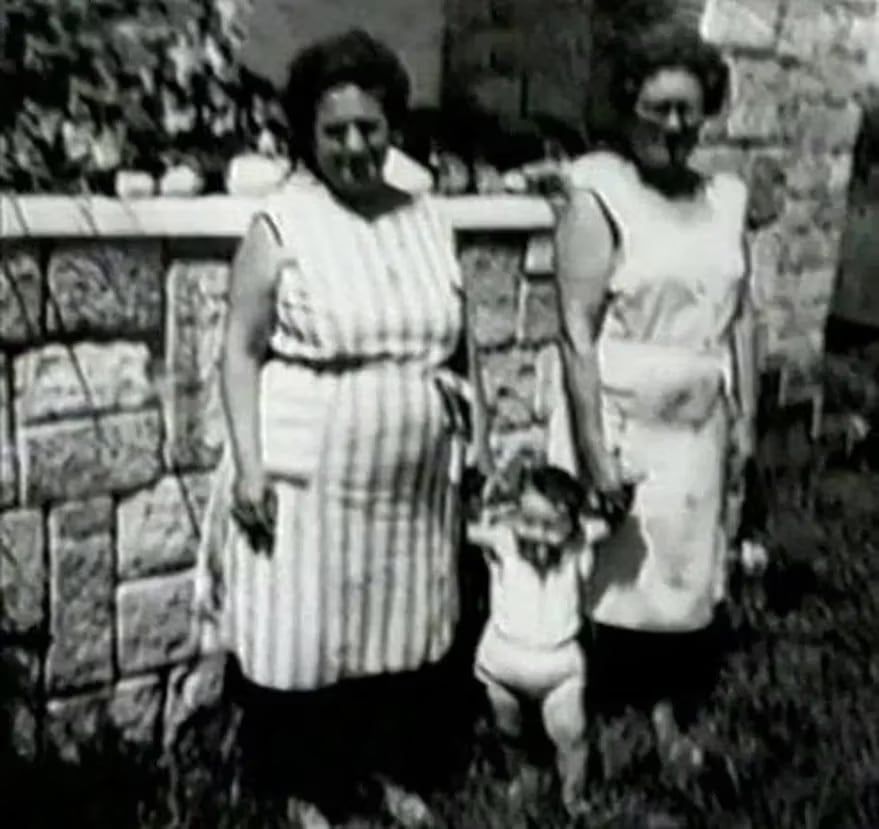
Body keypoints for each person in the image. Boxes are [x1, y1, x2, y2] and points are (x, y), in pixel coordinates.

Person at [193, 29, 490, 828]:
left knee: (398, 629)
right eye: (335, 132)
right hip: (309, 471)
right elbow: (239, 350)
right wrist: (250, 466)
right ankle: (303, 787)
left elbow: (463, 343)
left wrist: (479, 442)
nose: (356, 146)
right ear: (307, 135)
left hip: (411, 478)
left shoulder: (426, 216)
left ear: (391, 124)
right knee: (306, 635)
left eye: (370, 127)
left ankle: (387, 771)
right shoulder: (282, 223)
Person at [538, 23, 759, 771]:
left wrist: (747, 419)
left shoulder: (726, 197)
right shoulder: (598, 190)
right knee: (608, 574)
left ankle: (666, 712)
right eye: (658, 108)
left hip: (698, 416)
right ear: (627, 106)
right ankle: (584, 716)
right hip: (622, 412)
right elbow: (574, 330)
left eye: (688, 110)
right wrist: (596, 450)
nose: (674, 125)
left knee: (681, 574)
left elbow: (743, 313)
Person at [467, 453, 613, 815]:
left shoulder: (579, 547)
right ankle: (522, 777)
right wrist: (490, 494)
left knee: (572, 736)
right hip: (503, 664)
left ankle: (573, 796)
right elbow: (464, 527)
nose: (538, 534)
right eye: (528, 521)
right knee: (509, 730)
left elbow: (609, 519)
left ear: (572, 525)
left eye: (551, 526)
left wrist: (608, 488)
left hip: (559, 668)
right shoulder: (503, 542)